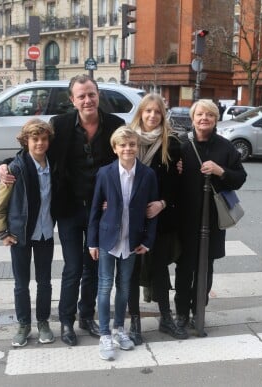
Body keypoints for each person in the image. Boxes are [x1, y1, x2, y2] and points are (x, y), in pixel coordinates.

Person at [0, 74, 125, 346]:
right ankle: (66, 320)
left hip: (99, 212)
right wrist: (6, 164)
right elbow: (34, 152)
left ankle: (86, 316)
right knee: (73, 267)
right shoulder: (61, 125)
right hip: (68, 210)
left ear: (98, 94)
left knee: (93, 268)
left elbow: (125, 161)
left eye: (91, 94)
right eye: (81, 96)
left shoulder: (115, 124)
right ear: (73, 100)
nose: (87, 100)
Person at [174, 99, 247, 333]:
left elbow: (240, 178)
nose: (204, 118)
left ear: (216, 119)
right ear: (193, 118)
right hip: (185, 218)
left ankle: (199, 311)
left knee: (206, 267)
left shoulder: (225, 147)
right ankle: (181, 313)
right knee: (184, 268)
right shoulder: (181, 144)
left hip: (212, 219)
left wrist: (221, 171)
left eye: (210, 115)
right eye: (200, 114)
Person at [88, 126, 159, 361]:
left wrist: (148, 241)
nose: (128, 148)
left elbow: (152, 212)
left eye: (131, 145)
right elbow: (95, 208)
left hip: (133, 240)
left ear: (137, 147)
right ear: (115, 148)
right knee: (105, 285)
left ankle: (120, 329)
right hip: (108, 239)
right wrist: (92, 242)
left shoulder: (147, 175)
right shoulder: (105, 173)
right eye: (123, 145)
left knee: (125, 286)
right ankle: (105, 334)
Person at [126, 93, 188, 344]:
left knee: (160, 268)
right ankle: (135, 321)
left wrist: (162, 203)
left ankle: (165, 317)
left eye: (157, 112)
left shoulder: (171, 143)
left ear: (163, 115)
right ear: (140, 113)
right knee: (132, 270)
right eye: (147, 111)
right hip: (130, 217)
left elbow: (175, 183)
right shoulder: (126, 139)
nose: (152, 116)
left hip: (159, 217)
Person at [0, 118, 56, 347]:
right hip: (20, 234)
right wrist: (2, 232)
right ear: (25, 141)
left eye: (43, 139)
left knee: (45, 282)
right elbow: (0, 205)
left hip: (45, 233)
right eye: (34, 139)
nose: (39, 143)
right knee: (21, 283)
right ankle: (23, 324)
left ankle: (43, 322)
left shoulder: (53, 165)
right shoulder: (16, 168)